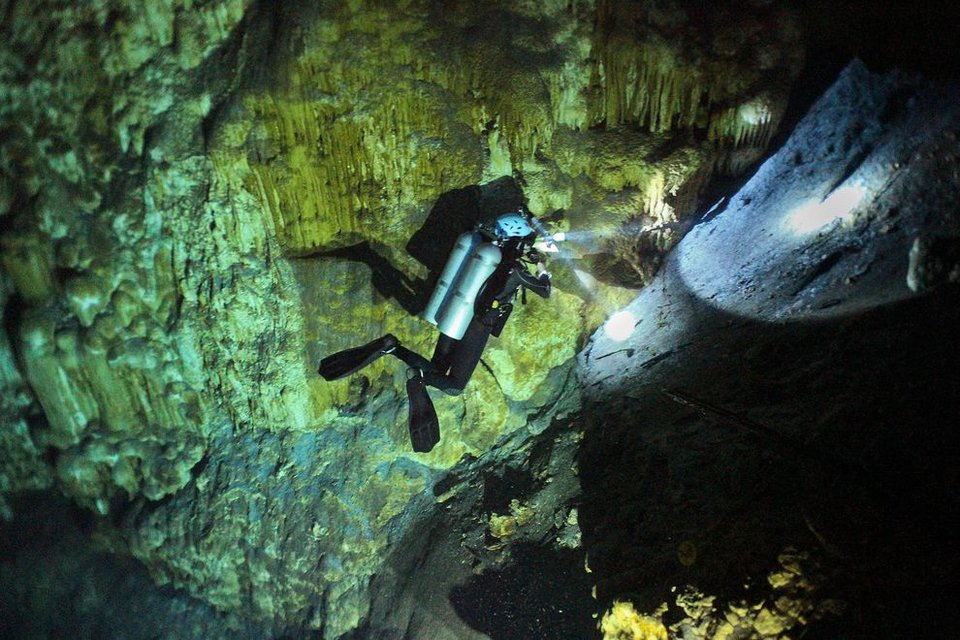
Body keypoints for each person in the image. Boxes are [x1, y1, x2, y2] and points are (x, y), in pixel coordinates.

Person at [318, 209, 552, 452]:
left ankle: (392, 347)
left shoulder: (495, 258)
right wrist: (544, 266)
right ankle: (411, 372)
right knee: (454, 386)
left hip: (458, 315)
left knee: (439, 370)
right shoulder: (516, 272)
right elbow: (545, 289)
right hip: (477, 328)